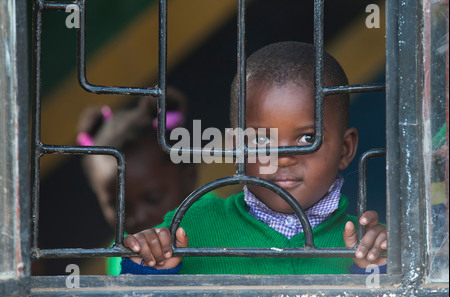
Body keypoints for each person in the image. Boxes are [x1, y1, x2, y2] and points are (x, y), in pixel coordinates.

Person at [120, 42, 387, 275]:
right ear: (238, 149)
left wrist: (378, 268)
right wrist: (149, 269)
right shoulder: (190, 227)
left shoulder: (369, 244)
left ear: (345, 149)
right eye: (261, 140)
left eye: (307, 138)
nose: (283, 159)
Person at [77, 87, 197, 274]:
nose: (138, 217)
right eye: (119, 207)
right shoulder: (120, 255)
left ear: (188, 176)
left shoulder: (220, 221)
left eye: (152, 198)